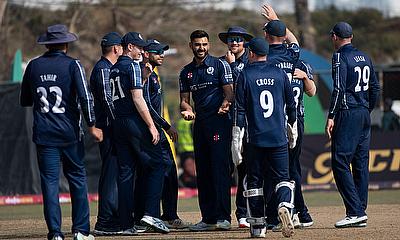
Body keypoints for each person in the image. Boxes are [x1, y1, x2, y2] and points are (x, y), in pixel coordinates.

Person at [20, 24, 100, 240]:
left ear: (47, 43)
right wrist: (92, 124)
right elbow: (85, 97)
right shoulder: (73, 65)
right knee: (77, 179)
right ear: (66, 43)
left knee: (49, 183)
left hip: (45, 134)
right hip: (69, 134)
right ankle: (80, 230)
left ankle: (55, 233)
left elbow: (25, 100)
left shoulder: (33, 66)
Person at [236, 37, 297, 238]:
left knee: (253, 181)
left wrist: (237, 137)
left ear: (251, 53)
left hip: (255, 139)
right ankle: (284, 204)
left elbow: (240, 110)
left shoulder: (244, 75)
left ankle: (258, 227)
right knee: (283, 178)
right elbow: (291, 104)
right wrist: (292, 126)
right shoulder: (280, 74)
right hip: (278, 138)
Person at [109, 32, 169, 235]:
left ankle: (126, 224)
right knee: (158, 164)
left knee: (126, 173)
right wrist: (152, 125)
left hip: (118, 122)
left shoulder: (113, 68)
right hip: (133, 122)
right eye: (139, 47)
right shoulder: (132, 65)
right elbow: (137, 98)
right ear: (129, 47)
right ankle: (151, 214)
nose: (143, 51)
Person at [325, 21, 380, 228]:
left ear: (335, 37)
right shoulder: (365, 57)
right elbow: (375, 87)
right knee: (360, 164)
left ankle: (355, 211)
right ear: (352, 37)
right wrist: (366, 109)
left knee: (339, 162)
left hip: (348, 114)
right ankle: (360, 210)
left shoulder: (339, 57)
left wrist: (331, 115)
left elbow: (338, 89)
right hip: (364, 113)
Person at [179, 29, 234, 231]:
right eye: (197, 44)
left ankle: (223, 217)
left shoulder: (220, 65)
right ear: (191, 46)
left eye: (204, 44)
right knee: (203, 171)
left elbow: (230, 93)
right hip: (200, 125)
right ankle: (207, 218)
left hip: (220, 122)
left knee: (219, 169)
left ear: (208, 45)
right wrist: (187, 110)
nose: (201, 48)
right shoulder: (186, 72)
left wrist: (225, 104)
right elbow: (184, 102)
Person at [138, 38, 189, 229]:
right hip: (152, 131)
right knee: (159, 170)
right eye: (157, 52)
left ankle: (168, 214)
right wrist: (166, 126)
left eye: (162, 52)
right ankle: (149, 215)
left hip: (157, 129)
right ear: (146, 53)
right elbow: (147, 106)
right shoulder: (144, 73)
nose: (161, 55)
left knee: (169, 171)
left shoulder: (153, 73)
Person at [261, 4, 301, 230]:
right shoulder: (293, 54)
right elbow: (294, 41)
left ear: (267, 36)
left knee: (268, 171)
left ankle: (272, 216)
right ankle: (291, 210)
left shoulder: (264, 58)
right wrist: (278, 22)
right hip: (292, 118)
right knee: (288, 170)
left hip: (270, 121)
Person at [218, 26, 253, 229]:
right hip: (226, 125)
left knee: (245, 170)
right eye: (231, 39)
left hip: (244, 125)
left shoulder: (249, 61)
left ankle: (243, 213)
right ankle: (221, 215)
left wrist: (232, 67)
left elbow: (243, 88)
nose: (234, 43)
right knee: (226, 170)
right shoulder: (222, 63)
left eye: (238, 39)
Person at [89, 32, 123, 236]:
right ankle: (105, 221)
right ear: (116, 49)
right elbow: (107, 100)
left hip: (113, 127)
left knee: (116, 172)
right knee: (110, 174)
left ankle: (115, 217)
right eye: (121, 47)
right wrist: (119, 125)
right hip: (109, 128)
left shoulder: (110, 68)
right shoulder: (103, 69)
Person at [288, 59, 316, 228]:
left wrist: (305, 77)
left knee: (291, 167)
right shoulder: (271, 61)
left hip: (294, 121)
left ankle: (299, 212)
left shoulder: (302, 64)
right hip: (276, 122)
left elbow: (312, 92)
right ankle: (297, 212)